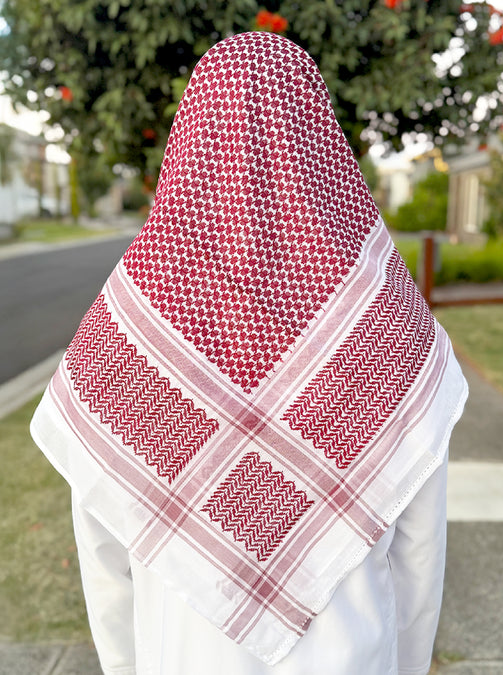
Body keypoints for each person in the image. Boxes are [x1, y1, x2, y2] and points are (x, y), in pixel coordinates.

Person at [30, 31, 468, 675]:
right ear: (319, 141)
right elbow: (421, 552)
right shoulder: (387, 326)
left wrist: (128, 664)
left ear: (192, 141)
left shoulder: (126, 336)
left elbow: (103, 553)